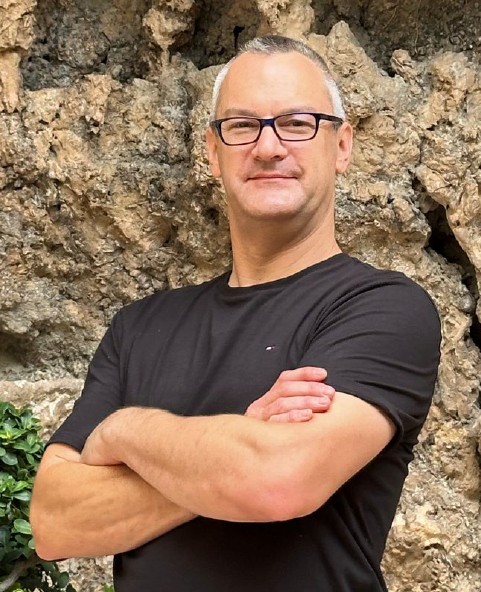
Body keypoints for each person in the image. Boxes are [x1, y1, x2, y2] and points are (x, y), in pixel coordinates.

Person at [30, 35, 441, 592]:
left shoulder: (382, 308)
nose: (268, 147)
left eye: (296, 123)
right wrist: (237, 451)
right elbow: (55, 523)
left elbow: (277, 482)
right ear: (212, 150)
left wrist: (127, 430)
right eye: (242, 125)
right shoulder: (139, 328)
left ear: (341, 145)